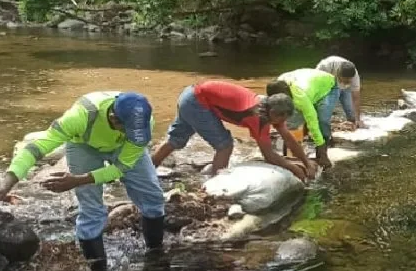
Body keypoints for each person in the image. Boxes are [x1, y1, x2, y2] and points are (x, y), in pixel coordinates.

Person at [0, 92, 164, 271]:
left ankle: (156, 255)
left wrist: (77, 180)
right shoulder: (81, 116)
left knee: (153, 197)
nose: (132, 135)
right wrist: (8, 181)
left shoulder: (143, 125)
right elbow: (37, 147)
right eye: (128, 130)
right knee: (91, 210)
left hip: (122, 151)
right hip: (83, 146)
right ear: (114, 119)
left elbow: (120, 169)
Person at [151, 81, 317, 181]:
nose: (283, 124)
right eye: (282, 119)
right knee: (225, 145)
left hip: (190, 94)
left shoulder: (268, 105)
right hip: (197, 101)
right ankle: (215, 187)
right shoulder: (257, 117)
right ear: (273, 114)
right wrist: (294, 169)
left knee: (176, 140)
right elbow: (269, 155)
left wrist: (306, 161)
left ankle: (149, 170)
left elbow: (288, 138)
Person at [266, 68, 338, 169]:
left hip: (328, 87)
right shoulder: (275, 88)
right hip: (309, 83)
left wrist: (321, 149)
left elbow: (312, 122)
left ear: (288, 93)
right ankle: (290, 155)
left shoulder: (301, 98)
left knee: (322, 121)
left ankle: (322, 154)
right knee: (291, 124)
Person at [316, 56, 363, 129]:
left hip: (346, 89)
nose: (346, 82)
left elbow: (356, 98)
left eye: (349, 80)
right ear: (339, 74)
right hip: (330, 84)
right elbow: (315, 87)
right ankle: (324, 127)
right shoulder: (325, 66)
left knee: (351, 114)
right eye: (345, 80)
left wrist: (358, 119)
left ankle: (352, 123)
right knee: (326, 109)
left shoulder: (355, 77)